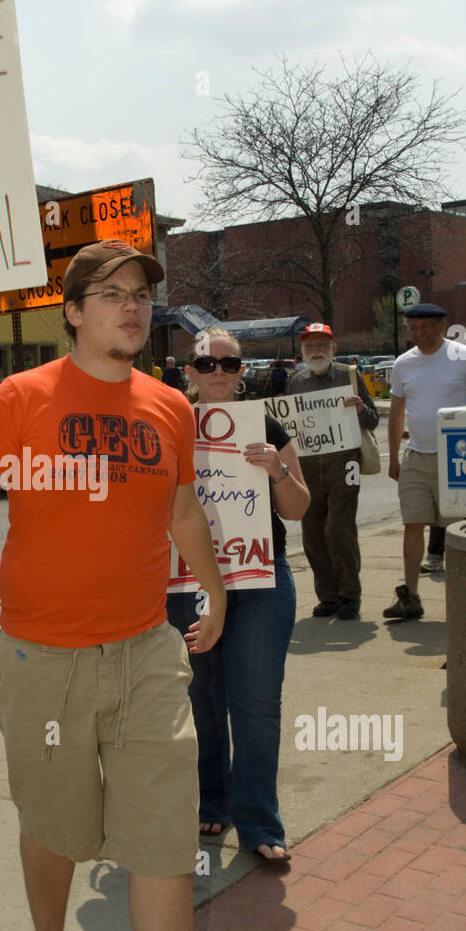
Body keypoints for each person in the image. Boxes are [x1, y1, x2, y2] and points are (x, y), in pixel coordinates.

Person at [0, 238, 262, 931]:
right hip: (41, 659)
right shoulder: (17, 399)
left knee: (160, 839)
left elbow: (183, 505)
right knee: (54, 824)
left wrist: (216, 593)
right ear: (71, 311)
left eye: (141, 296)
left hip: (147, 651)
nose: (131, 307)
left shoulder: (168, 407)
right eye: (109, 294)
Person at [167, 328, 310, 862]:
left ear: (242, 370)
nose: (219, 372)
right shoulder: (168, 422)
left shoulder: (266, 427)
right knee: (202, 702)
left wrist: (276, 470)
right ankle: (214, 800)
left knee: (254, 704)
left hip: (260, 581)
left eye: (230, 363)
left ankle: (259, 823)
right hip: (188, 584)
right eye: (207, 364)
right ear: (190, 370)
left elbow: (297, 509)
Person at [385, 304, 466, 618]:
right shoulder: (403, 363)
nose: (420, 334)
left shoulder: (464, 357)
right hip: (416, 456)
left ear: (442, 326)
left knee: (460, 530)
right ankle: (410, 597)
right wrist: (393, 458)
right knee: (412, 524)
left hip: (458, 458)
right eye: (414, 329)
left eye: (426, 327)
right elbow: (397, 411)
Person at [286, 323, 379, 620]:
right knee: (313, 533)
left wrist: (361, 409)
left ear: (333, 348)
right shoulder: (296, 381)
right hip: (309, 466)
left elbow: (374, 419)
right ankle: (327, 596)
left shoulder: (349, 375)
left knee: (339, 528)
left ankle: (350, 594)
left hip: (344, 463)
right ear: (302, 351)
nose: (316, 351)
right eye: (310, 346)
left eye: (321, 345)